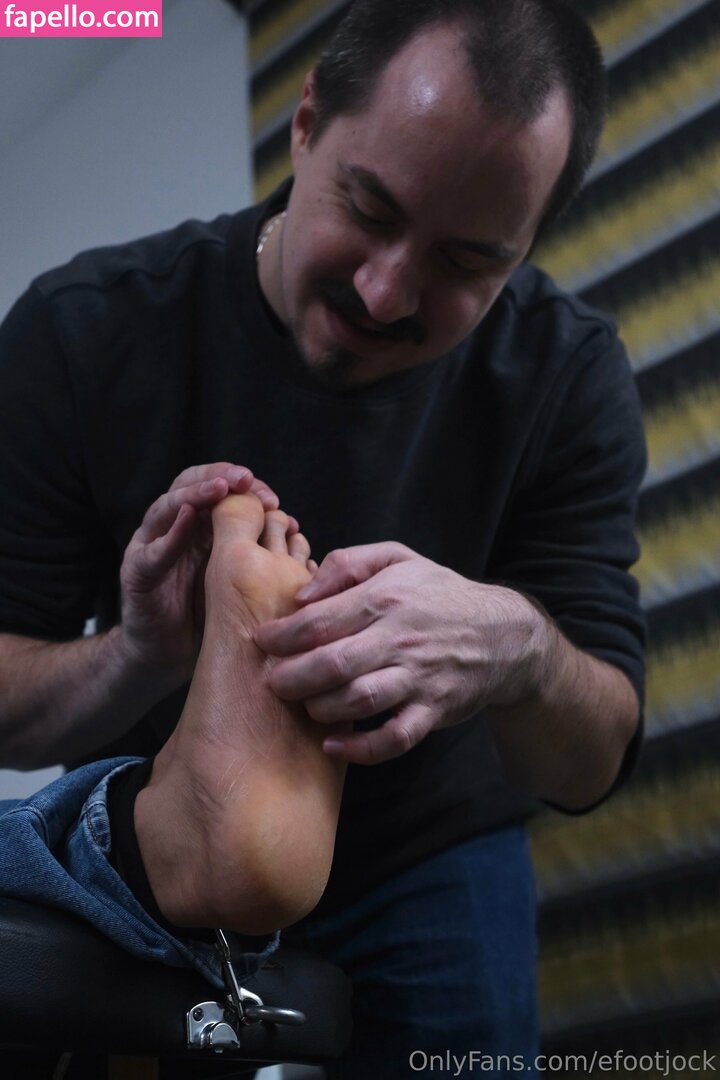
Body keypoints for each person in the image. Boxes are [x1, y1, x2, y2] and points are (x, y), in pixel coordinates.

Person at [0, 0, 646, 1074]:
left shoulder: (566, 377)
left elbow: (593, 761)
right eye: (369, 206)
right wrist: (138, 654)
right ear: (306, 124)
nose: (387, 292)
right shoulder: (84, 332)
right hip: (168, 837)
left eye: (466, 261)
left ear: (526, 249)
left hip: (432, 852)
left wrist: (520, 650)